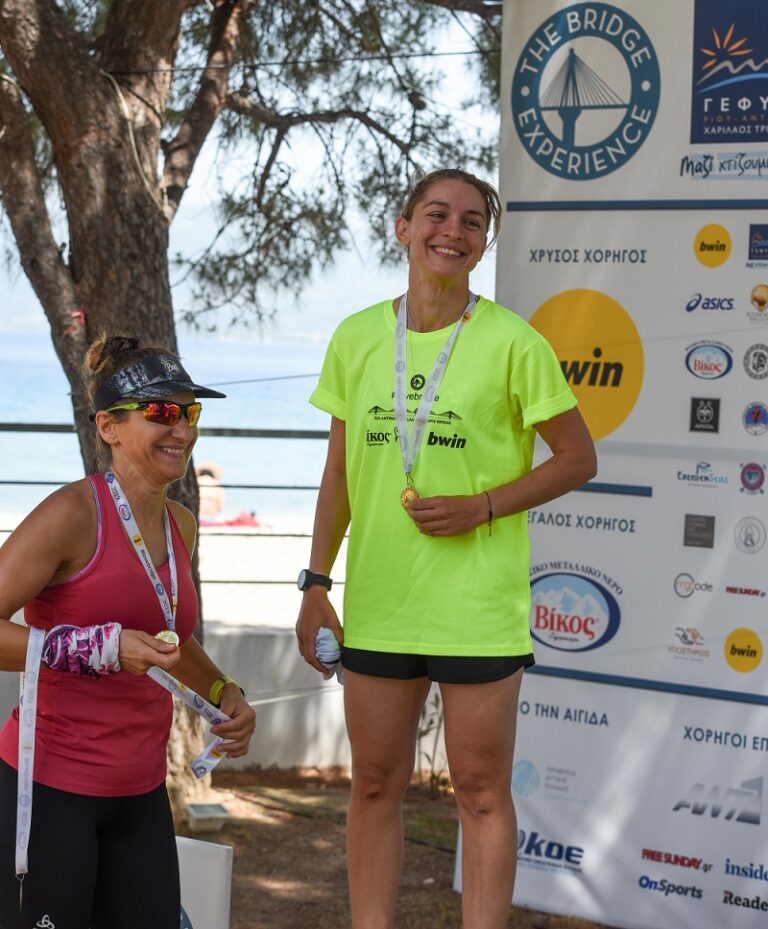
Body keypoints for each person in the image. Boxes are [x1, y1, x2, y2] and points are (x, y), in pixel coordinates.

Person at [295, 168, 597, 929]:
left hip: (476, 610)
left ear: (483, 243)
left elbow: (577, 458)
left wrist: (483, 506)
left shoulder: (513, 342)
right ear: (403, 227)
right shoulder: (358, 336)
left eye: (471, 222)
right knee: (374, 785)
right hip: (381, 604)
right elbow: (337, 471)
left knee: (483, 793)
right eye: (436, 214)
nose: (451, 232)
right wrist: (314, 583)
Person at [0, 335, 256, 929]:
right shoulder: (70, 515)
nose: (182, 430)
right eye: (161, 412)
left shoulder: (180, 523)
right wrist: (96, 648)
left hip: (140, 793)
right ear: (109, 427)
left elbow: (168, 640)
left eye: (190, 412)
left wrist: (223, 692)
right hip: (51, 790)